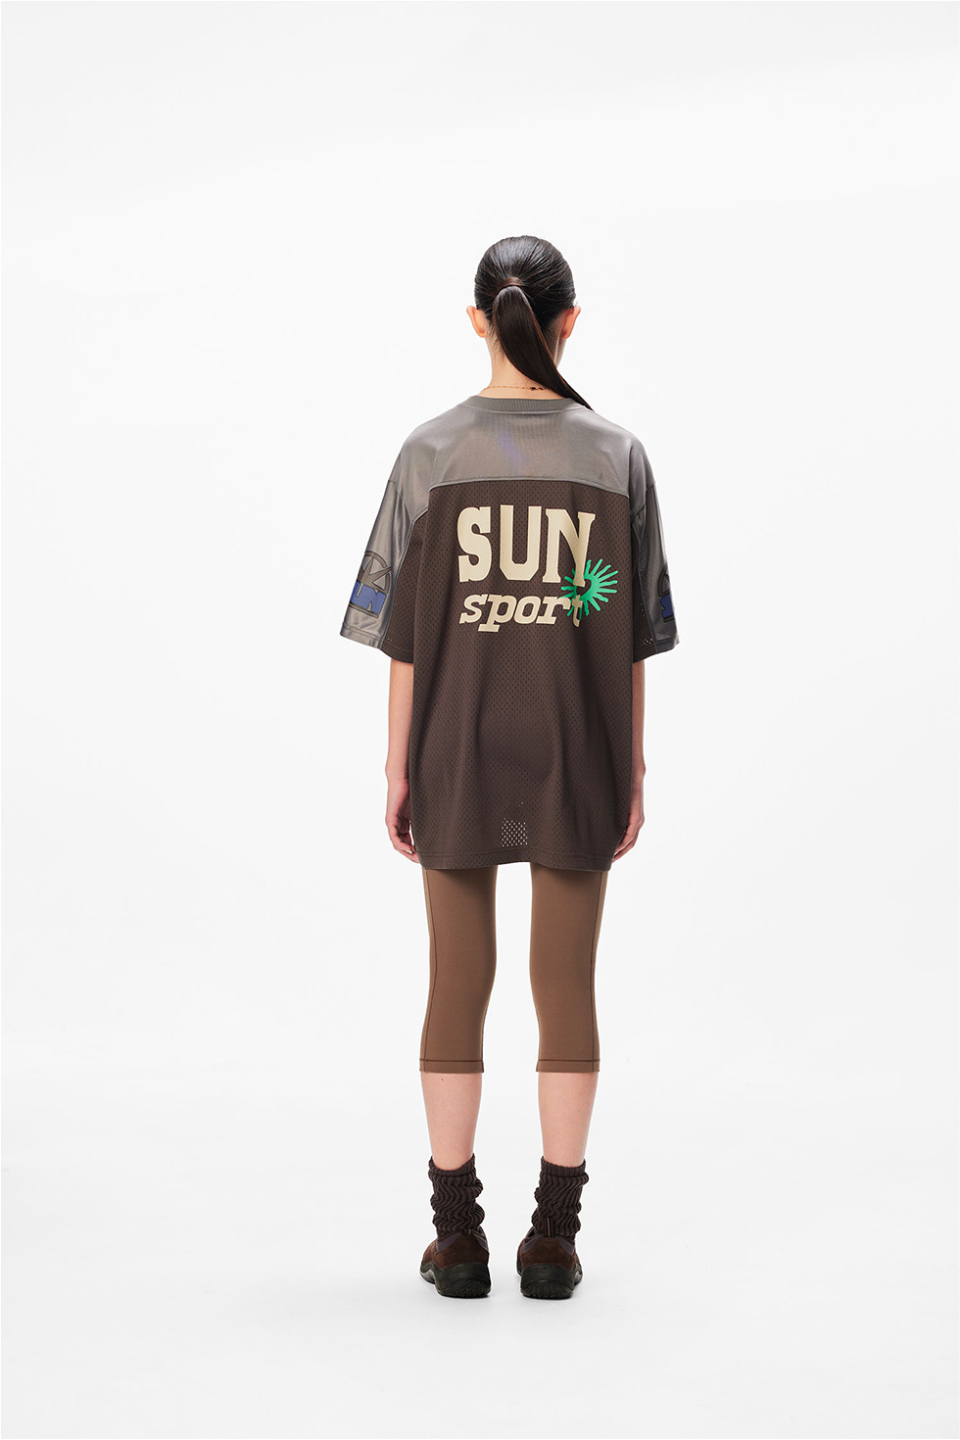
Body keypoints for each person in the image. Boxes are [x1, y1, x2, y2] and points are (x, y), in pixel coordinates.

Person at [339, 234, 679, 1300]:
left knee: (456, 981)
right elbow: (629, 635)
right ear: (569, 323)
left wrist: (397, 766)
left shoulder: (429, 454)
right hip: (578, 746)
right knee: (566, 985)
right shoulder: (618, 456)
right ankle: (554, 1240)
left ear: (477, 320)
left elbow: (401, 637)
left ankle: (457, 1240)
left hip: (455, 741)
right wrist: (632, 766)